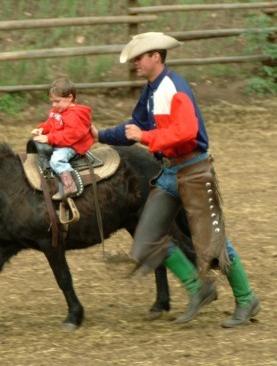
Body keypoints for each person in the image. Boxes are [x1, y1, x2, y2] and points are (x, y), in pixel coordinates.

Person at [91, 32, 260, 327]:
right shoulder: (152, 90)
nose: (135, 64)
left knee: (214, 243)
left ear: (156, 56)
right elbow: (134, 128)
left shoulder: (174, 87)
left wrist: (147, 137)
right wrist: (98, 135)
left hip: (193, 171)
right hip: (170, 173)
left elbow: (187, 132)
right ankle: (200, 289)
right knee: (146, 240)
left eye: (139, 58)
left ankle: (247, 300)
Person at [31, 78, 93, 199]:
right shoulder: (58, 110)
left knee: (56, 160)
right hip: (60, 140)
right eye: (52, 101)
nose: (54, 105)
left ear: (70, 98)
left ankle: (70, 184)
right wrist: (42, 129)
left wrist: (49, 138)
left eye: (57, 101)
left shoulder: (75, 115)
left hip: (71, 145)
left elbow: (71, 136)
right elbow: (51, 123)